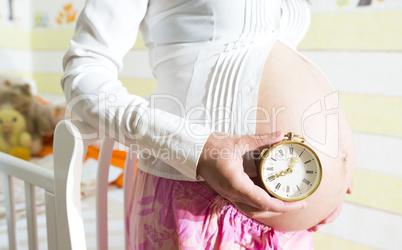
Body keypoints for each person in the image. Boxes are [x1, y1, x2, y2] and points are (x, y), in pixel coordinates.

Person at [62, 0, 354, 249]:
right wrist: (199, 149)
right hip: (201, 206)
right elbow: (84, 75)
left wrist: (332, 175)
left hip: (292, 211)